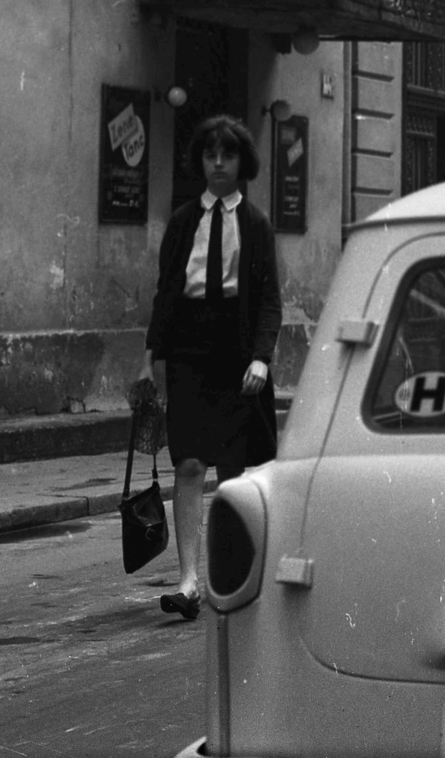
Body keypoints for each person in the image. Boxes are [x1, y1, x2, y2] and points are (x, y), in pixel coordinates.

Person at [138, 115, 282, 619]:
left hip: (238, 354)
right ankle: (189, 582)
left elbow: (268, 300)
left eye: (228, 155)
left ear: (243, 162)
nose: (218, 164)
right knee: (190, 463)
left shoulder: (257, 225)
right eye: (209, 155)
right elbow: (166, 292)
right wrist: (150, 357)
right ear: (200, 160)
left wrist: (262, 358)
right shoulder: (183, 223)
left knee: (236, 471)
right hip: (190, 355)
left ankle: (236, 574)